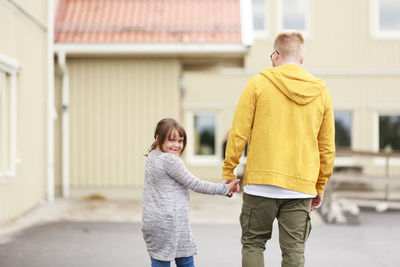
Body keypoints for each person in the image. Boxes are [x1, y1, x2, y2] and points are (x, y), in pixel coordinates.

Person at [222, 30, 335, 267]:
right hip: (300, 186)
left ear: (275, 55)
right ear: (301, 60)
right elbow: (326, 148)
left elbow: (238, 132)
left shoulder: (257, 84)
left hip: (260, 183)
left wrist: (228, 172)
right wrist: (320, 184)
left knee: (253, 244)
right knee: (294, 252)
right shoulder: (321, 94)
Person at [142, 118, 239, 267]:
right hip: (170, 222)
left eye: (180, 141)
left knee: (161, 260)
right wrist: (224, 189)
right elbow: (195, 184)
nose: (177, 145)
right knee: (185, 260)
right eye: (171, 140)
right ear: (158, 138)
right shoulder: (170, 161)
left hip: (153, 222)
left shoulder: (152, 157)